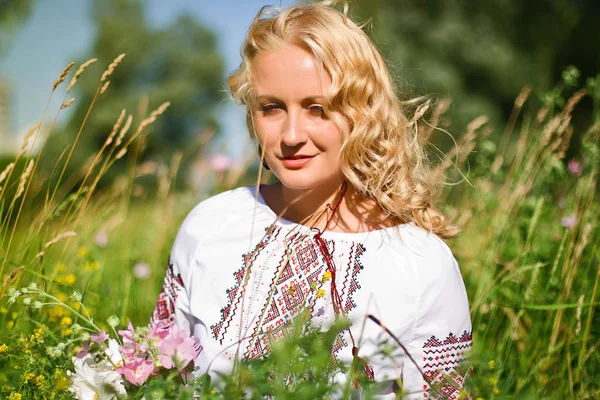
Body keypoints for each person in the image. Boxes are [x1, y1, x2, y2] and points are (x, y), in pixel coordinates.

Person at [151, 1, 472, 398]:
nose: (290, 135)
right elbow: (161, 377)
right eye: (271, 108)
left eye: (317, 108)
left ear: (362, 114)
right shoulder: (210, 226)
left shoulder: (420, 264)